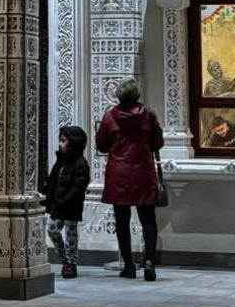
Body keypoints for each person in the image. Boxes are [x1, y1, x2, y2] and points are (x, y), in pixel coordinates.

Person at [96, 78, 164, 280]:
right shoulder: (148, 116)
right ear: (137, 95)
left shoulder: (109, 117)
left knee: (122, 221)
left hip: (119, 173)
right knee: (148, 219)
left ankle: (128, 265)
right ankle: (150, 262)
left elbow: (101, 144)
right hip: (143, 171)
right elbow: (157, 142)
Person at [41, 124, 90, 277]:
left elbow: (78, 186)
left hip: (71, 205)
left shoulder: (80, 164)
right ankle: (64, 258)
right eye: (60, 141)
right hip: (58, 203)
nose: (61, 144)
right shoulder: (61, 161)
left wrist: (67, 199)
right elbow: (53, 180)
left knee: (70, 234)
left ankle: (71, 262)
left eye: (64, 141)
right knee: (52, 229)